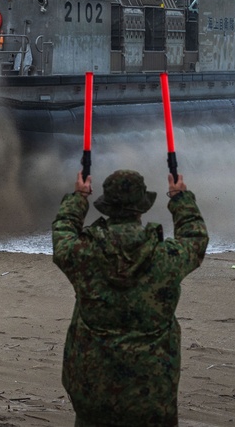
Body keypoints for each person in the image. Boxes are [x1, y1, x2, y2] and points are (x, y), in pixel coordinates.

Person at [52, 169, 208, 427]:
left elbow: (62, 234)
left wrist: (79, 197)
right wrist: (180, 197)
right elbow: (195, 238)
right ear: (141, 208)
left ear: (107, 207)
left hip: (94, 393)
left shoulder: (83, 255)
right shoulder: (166, 257)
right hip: (154, 395)